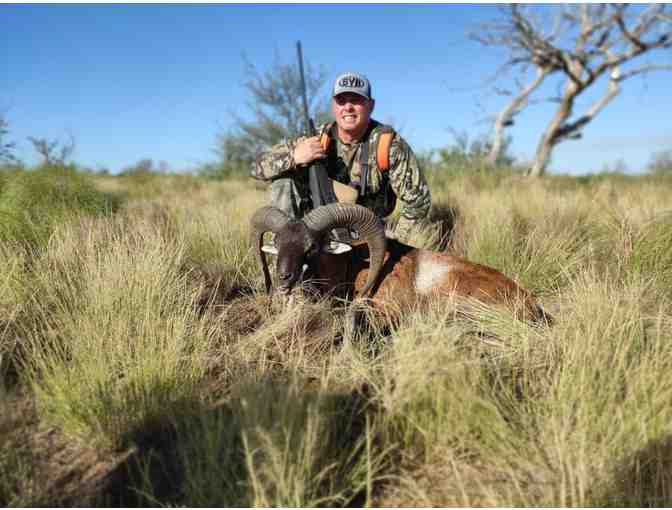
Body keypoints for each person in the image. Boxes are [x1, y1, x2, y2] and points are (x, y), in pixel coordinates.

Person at [251, 71, 431, 251]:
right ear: (333, 106)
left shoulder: (388, 144)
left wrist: (395, 243)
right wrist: (294, 157)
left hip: (366, 232)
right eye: (341, 100)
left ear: (371, 105)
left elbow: (419, 202)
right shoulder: (315, 138)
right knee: (284, 182)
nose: (348, 107)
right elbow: (257, 167)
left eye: (356, 100)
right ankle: (289, 252)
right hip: (315, 232)